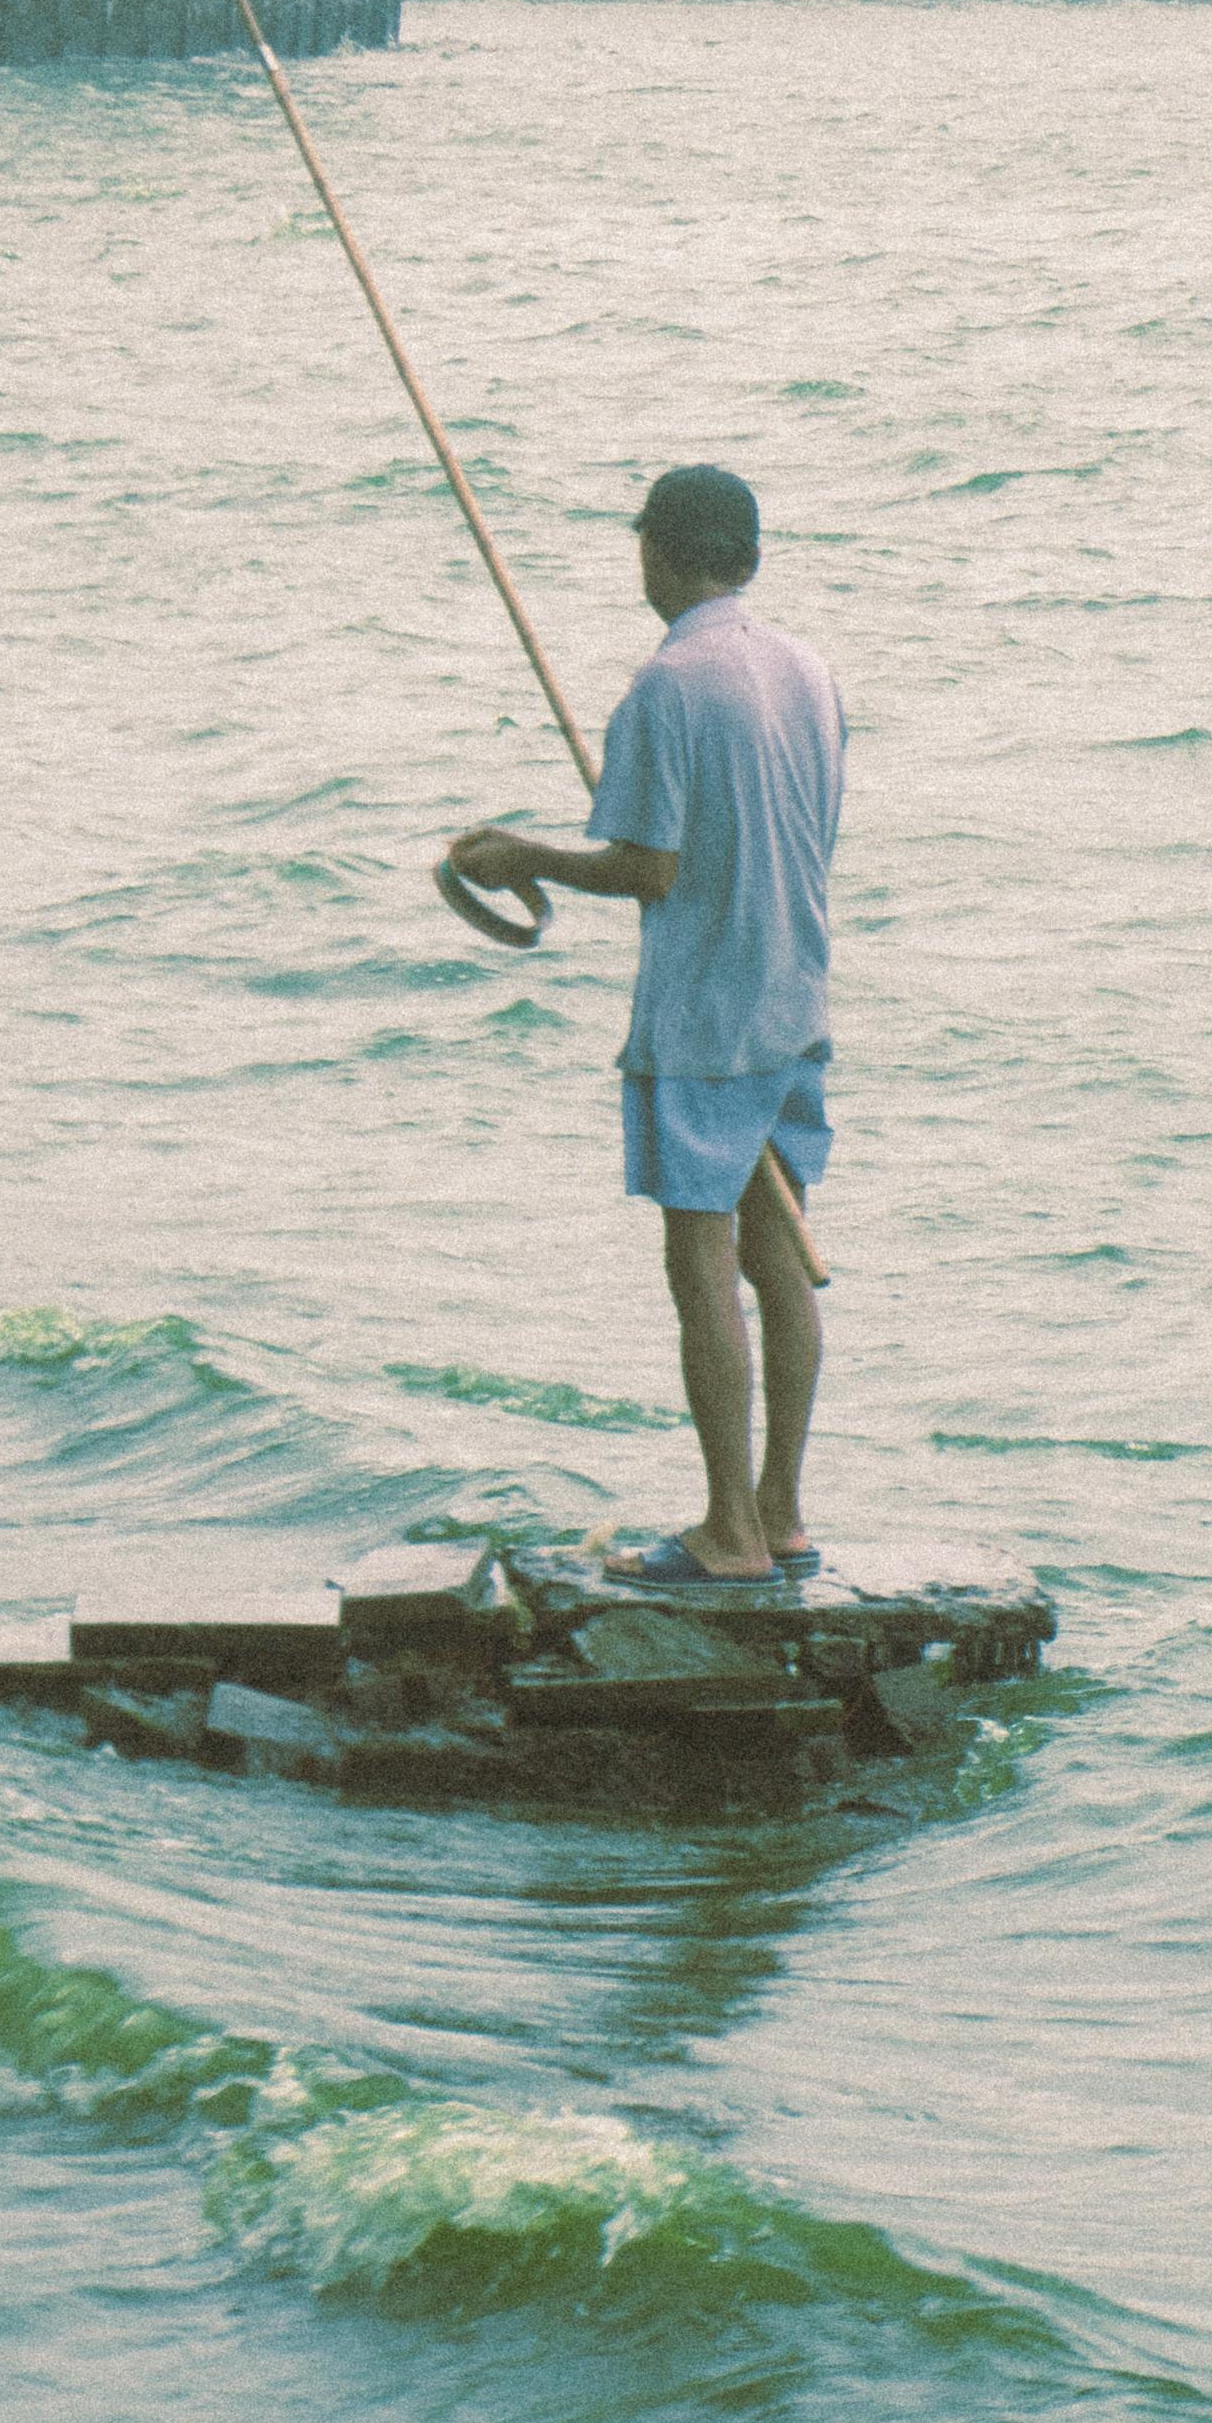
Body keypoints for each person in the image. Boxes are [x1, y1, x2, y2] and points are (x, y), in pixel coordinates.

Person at [447, 464, 842, 1587]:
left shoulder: (666, 688)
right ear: (747, 557)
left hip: (707, 1015)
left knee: (705, 1264)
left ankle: (728, 1530)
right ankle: (781, 1512)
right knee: (781, 1256)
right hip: (793, 995)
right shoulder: (806, 671)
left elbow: (651, 868)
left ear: (659, 555)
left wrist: (521, 854)